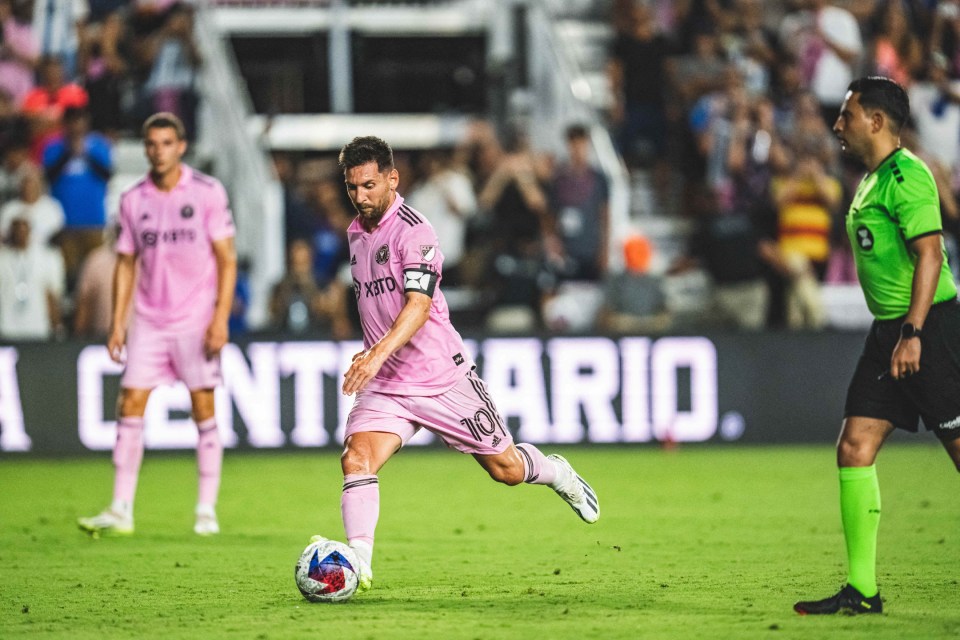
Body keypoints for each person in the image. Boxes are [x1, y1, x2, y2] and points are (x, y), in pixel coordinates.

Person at [310, 136, 600, 594]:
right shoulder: (355, 233)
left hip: (441, 376)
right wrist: (375, 355)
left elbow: (418, 305)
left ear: (392, 178)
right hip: (387, 384)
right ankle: (357, 564)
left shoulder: (415, 230)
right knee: (356, 458)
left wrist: (375, 353)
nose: (360, 197)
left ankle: (556, 472)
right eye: (352, 188)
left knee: (505, 469)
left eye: (368, 186)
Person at [794, 77, 960, 615]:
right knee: (854, 447)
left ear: (877, 121)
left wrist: (912, 332)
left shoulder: (907, 176)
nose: (837, 124)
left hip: (928, 329)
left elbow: (931, 257)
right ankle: (862, 590)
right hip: (890, 331)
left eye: (847, 114)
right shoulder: (872, 180)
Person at [77, 112, 237, 537]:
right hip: (148, 319)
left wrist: (220, 317)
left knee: (203, 407)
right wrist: (117, 323)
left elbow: (227, 258)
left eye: (166, 143)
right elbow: (125, 263)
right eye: (151, 144)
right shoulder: (133, 200)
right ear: (146, 148)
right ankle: (121, 507)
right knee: (129, 403)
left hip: (195, 318)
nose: (158, 151)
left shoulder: (207, 192)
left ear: (180, 146)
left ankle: (206, 509)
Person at [0, 216, 65, 340]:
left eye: (24, 229)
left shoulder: (45, 258)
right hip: (6, 328)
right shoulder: (2, 259)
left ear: (30, 231)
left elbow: (50, 295)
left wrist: (57, 325)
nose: (20, 234)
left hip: (37, 328)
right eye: (17, 230)